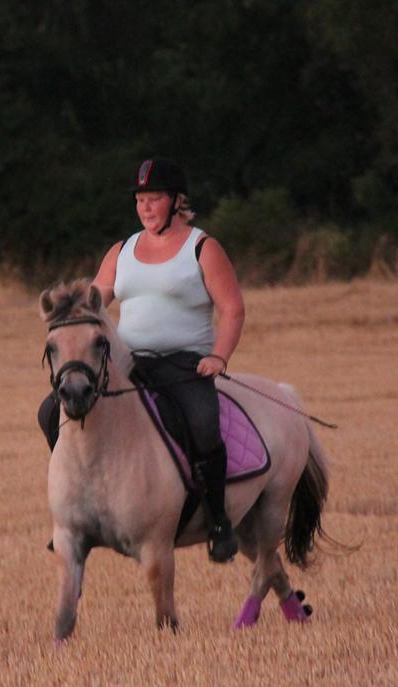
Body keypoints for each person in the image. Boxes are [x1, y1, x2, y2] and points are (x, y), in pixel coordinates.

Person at [40, 158, 245, 563]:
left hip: (185, 364)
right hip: (127, 363)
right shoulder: (122, 250)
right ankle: (71, 510)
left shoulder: (202, 247)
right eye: (140, 200)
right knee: (51, 411)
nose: (146, 208)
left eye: (154, 199)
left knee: (204, 423)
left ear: (176, 201)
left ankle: (219, 521)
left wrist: (218, 357)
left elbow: (233, 309)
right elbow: (93, 302)